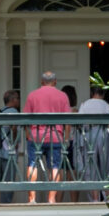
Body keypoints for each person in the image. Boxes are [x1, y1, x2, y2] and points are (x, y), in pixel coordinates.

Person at [22, 71, 73, 204]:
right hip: (56, 136)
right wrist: (66, 138)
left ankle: (31, 198)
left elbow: (25, 118)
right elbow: (68, 120)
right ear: (55, 82)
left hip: (36, 136)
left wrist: (28, 135)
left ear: (41, 82)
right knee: (55, 166)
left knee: (32, 165)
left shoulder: (32, 95)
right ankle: (52, 198)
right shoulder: (62, 96)